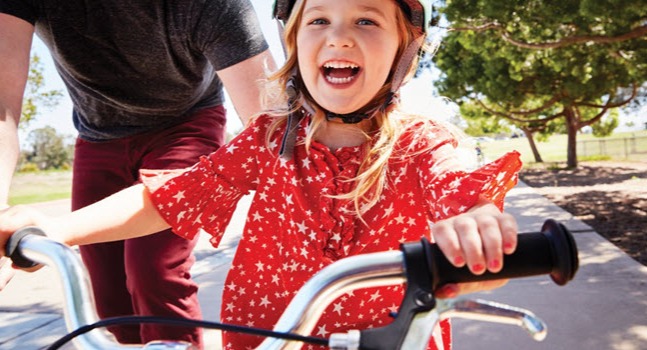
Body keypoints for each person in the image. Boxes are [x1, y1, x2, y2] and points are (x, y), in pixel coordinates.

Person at [0, 0, 523, 349]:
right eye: (318, 21)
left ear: (404, 48)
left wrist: (477, 233)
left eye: (366, 20)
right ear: (294, 41)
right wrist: (56, 230)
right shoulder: (271, 140)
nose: (339, 37)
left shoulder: (425, 143)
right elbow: (171, 197)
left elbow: (462, 195)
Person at [0, 0, 276, 347]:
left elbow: (272, 126)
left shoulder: (215, 6)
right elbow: (2, 106)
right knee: (108, 291)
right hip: (99, 133)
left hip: (186, 122)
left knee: (154, 270)